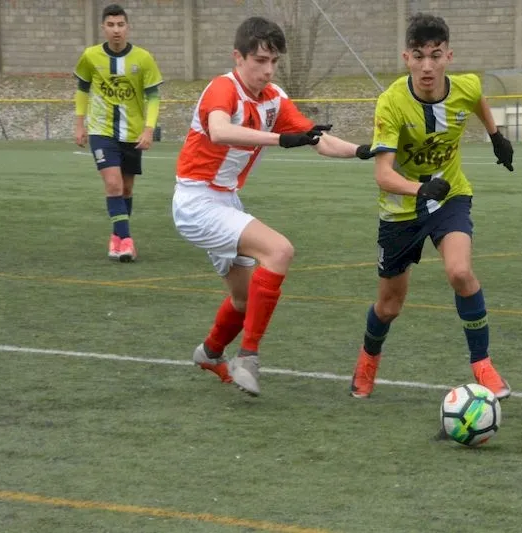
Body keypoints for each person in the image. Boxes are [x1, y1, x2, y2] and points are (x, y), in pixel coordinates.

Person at [174, 16, 374, 396]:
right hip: (196, 201)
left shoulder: (274, 98)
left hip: (226, 201)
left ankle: (210, 352)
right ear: (238, 57)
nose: (267, 70)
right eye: (259, 60)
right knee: (279, 250)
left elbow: (316, 139)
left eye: (273, 62)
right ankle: (247, 357)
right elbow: (219, 130)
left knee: (244, 298)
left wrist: (365, 151)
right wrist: (281, 139)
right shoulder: (223, 89)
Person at [348, 13, 515, 401]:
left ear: (449, 56)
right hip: (400, 208)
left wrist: (495, 136)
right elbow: (383, 175)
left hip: (450, 196)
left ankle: (483, 366)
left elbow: (477, 100)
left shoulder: (466, 86)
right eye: (419, 56)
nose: (427, 66)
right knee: (389, 306)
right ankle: (368, 359)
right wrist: (421, 187)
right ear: (406, 57)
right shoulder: (390, 102)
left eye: (436, 55)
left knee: (459, 272)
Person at [74, 4, 163, 262]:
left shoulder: (143, 58)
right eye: (111, 25)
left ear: (128, 27)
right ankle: (127, 241)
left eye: (120, 25)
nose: (116, 30)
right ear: (103, 27)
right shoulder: (90, 56)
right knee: (113, 184)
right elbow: (82, 90)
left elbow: (154, 97)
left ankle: (116, 237)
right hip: (101, 130)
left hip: (133, 133)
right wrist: (79, 125)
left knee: (125, 189)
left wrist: (149, 129)